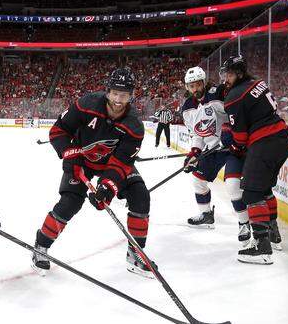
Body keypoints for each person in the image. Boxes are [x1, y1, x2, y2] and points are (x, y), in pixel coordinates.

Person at [32, 68, 155, 278]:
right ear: (107, 92)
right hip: (81, 159)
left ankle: (136, 254)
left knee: (140, 196)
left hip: (110, 164)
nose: (118, 99)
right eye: (115, 93)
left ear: (131, 96)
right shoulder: (86, 104)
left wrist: (108, 187)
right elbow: (58, 131)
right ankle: (40, 247)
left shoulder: (134, 125)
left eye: (124, 95)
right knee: (70, 202)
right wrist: (68, 152)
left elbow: (122, 162)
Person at [221, 55, 288, 264]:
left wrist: (234, 145)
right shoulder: (258, 83)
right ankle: (272, 233)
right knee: (264, 190)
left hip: (264, 143)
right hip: (281, 140)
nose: (226, 78)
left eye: (230, 74)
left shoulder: (234, 95)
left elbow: (240, 137)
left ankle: (262, 248)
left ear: (239, 73)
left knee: (250, 193)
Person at [180, 67, 251, 245]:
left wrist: (230, 132)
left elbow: (235, 113)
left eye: (197, 84)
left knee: (233, 186)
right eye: (191, 86)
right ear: (187, 88)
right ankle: (206, 215)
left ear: (204, 82)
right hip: (212, 149)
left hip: (232, 146)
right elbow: (197, 134)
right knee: (198, 179)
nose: (195, 89)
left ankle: (244, 223)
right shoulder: (187, 108)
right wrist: (195, 152)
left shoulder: (218, 93)